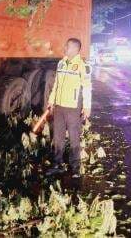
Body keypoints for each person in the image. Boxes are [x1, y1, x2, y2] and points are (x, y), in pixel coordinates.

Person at [45, 37, 92, 178]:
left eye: (68, 46)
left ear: (76, 49)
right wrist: (51, 101)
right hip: (59, 106)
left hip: (73, 107)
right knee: (58, 137)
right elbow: (56, 85)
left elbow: (87, 88)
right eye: (66, 46)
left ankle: (75, 167)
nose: (65, 48)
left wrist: (87, 106)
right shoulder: (61, 63)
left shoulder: (83, 66)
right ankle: (57, 164)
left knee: (73, 137)